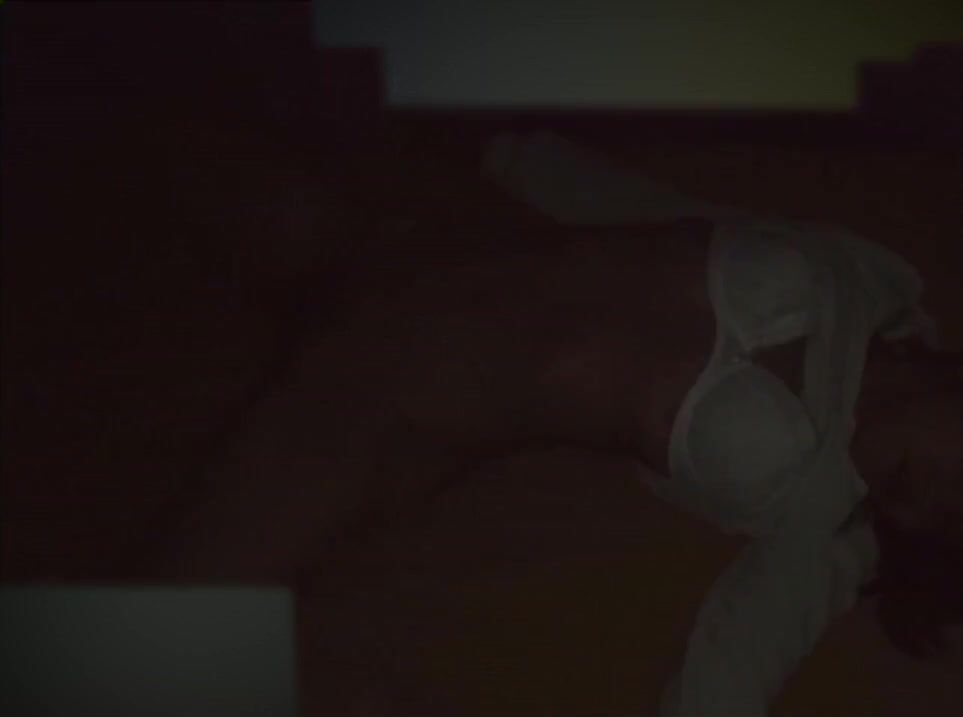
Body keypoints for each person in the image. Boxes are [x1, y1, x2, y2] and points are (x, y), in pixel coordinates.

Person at [139, 131, 963, 712]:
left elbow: (737, 661)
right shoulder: (873, 282)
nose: (932, 506)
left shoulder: (822, 520)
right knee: (170, 130)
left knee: (146, 655)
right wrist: (513, 154)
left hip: (385, 398)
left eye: (947, 526)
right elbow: (663, 210)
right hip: (431, 235)